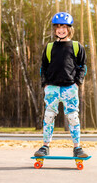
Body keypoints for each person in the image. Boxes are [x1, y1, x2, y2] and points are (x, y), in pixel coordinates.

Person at [34, 12, 88, 158]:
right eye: (58, 27)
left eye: (64, 27)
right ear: (54, 30)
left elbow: (83, 67)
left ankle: (77, 147)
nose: (61, 30)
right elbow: (43, 67)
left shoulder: (77, 46)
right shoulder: (50, 47)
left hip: (70, 87)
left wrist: (77, 83)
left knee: (72, 117)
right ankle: (45, 146)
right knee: (49, 116)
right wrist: (44, 84)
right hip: (52, 87)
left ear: (69, 29)